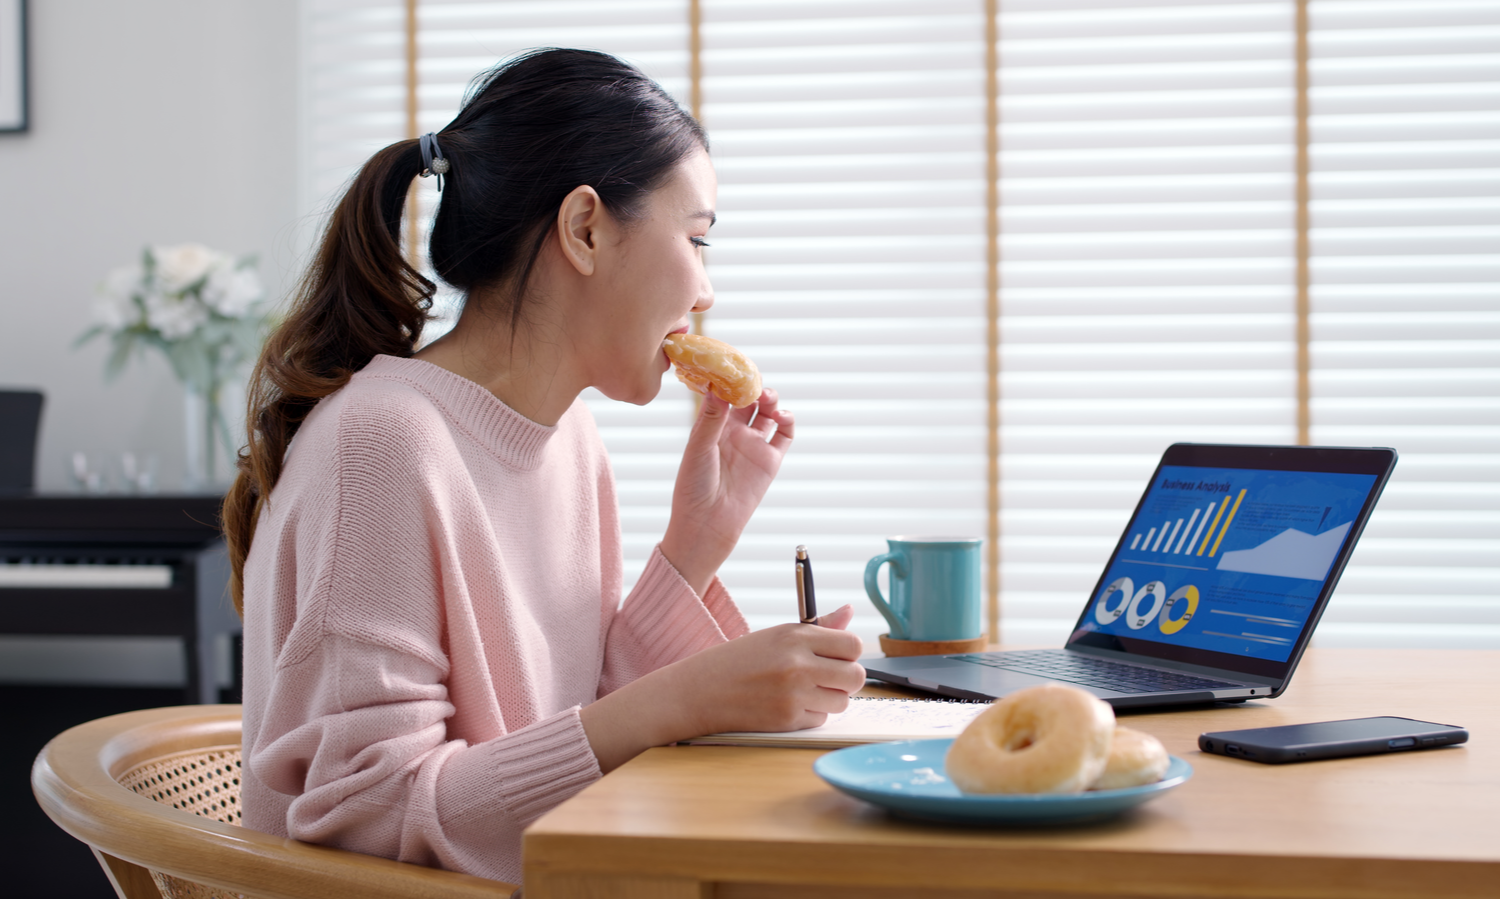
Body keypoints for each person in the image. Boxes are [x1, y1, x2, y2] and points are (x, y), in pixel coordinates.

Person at [221, 48, 866, 884]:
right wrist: (684, 697)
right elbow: (364, 817)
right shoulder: (381, 446)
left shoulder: (569, 440)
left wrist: (694, 546)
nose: (705, 291)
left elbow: (566, 733)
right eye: (698, 239)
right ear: (585, 229)